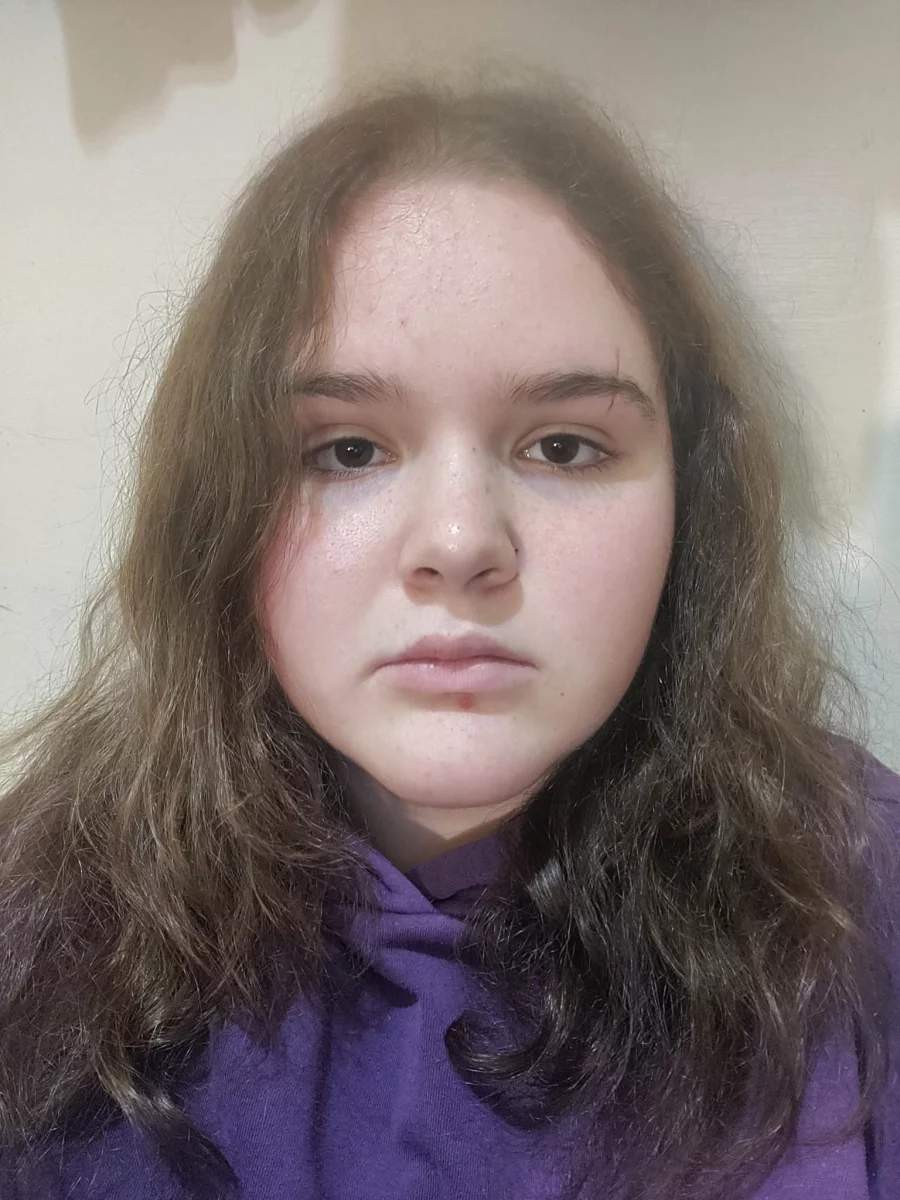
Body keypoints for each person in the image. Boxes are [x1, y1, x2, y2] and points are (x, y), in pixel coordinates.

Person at [0, 67, 898, 1200]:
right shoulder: (35, 928)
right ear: (216, 503)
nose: (463, 542)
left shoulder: (857, 889)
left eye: (564, 446)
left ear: (693, 499)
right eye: (346, 451)